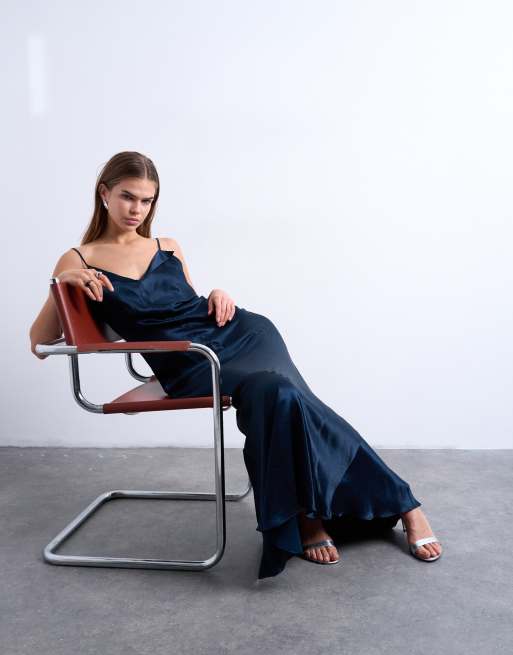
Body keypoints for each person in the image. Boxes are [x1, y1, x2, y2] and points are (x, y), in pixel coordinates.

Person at [29, 151, 442, 578]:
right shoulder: (78, 259)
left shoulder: (166, 246)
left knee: (288, 398)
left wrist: (216, 294)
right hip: (192, 362)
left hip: (243, 333)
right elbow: (38, 343)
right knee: (278, 394)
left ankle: (310, 517)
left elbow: (186, 302)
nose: (137, 209)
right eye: (127, 197)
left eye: (147, 200)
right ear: (104, 193)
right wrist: (62, 284)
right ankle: (397, 502)